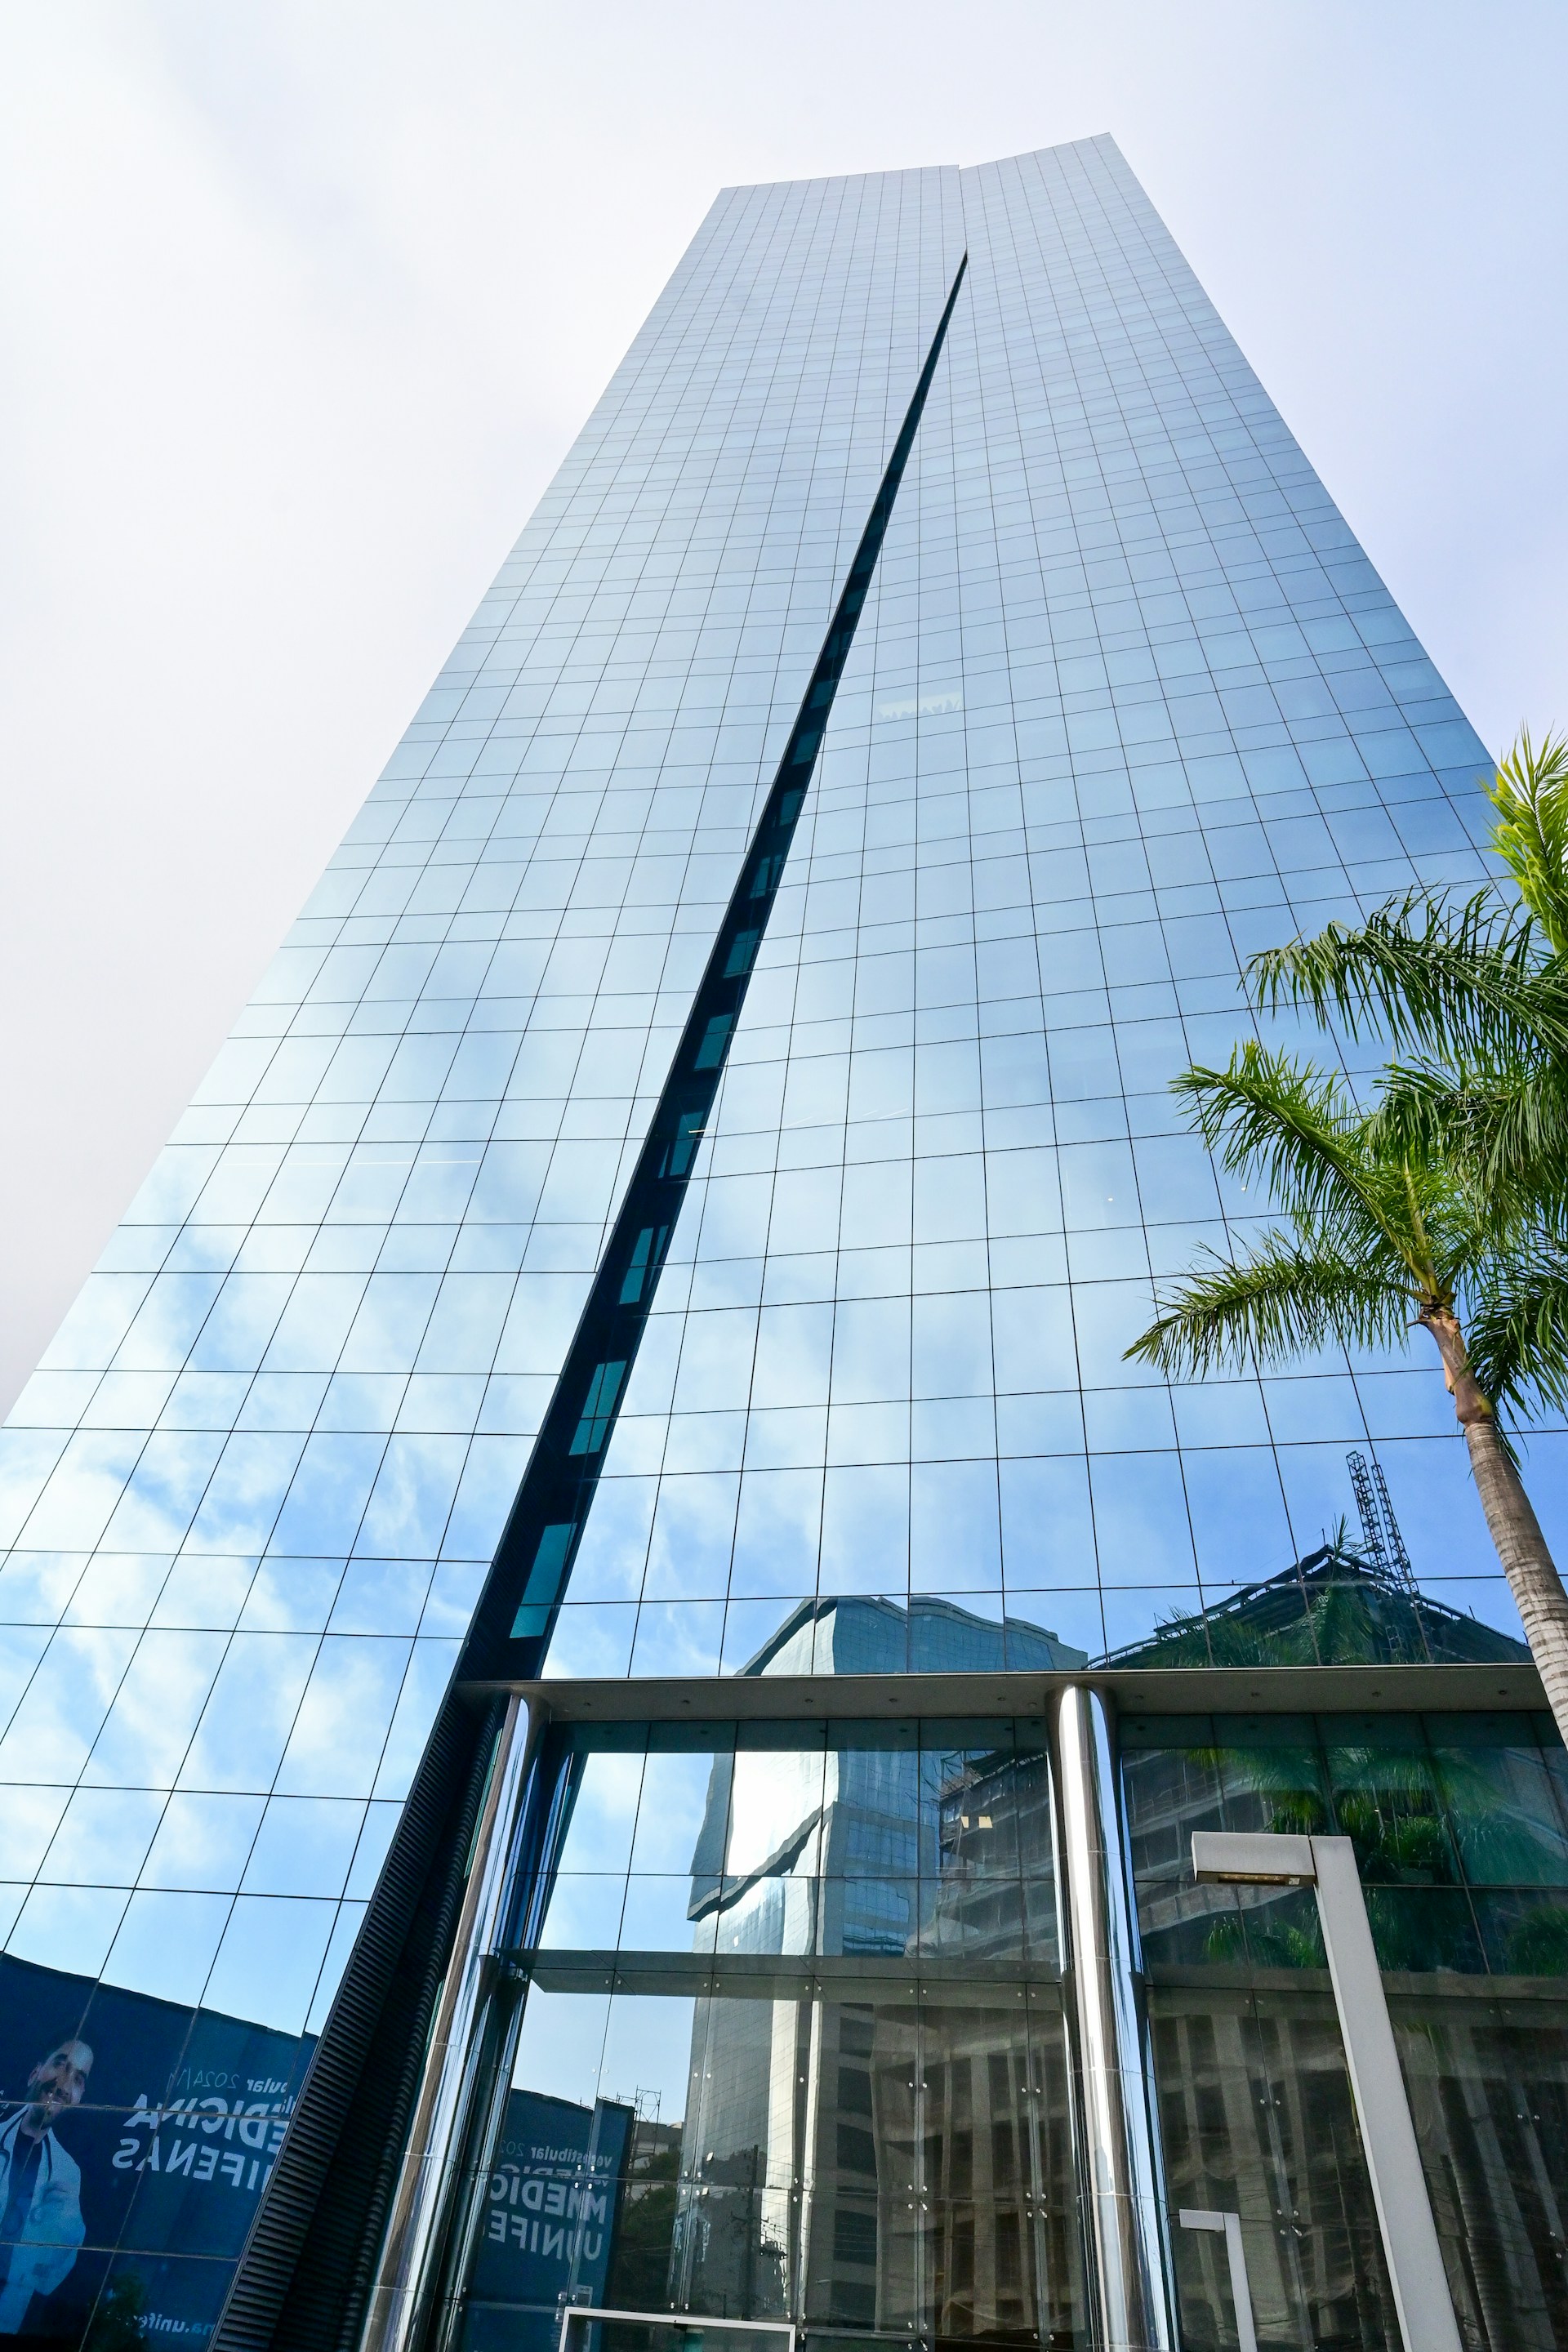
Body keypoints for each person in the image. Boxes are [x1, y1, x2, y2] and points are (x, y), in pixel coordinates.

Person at [0, 2038, 93, 2335]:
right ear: (34, 2074)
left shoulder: (67, 2173)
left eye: (78, 2079)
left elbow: (51, 2274)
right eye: (60, 2065)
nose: (64, 2084)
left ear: (78, 2098)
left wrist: (64, 2232)